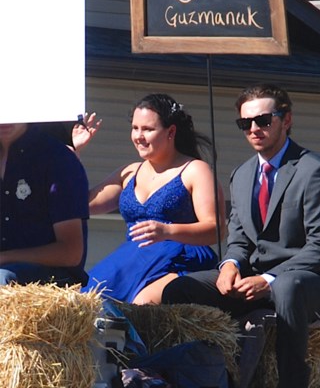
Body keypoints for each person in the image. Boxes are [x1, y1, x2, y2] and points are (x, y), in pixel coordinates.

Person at [162, 83, 320, 388]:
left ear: (286, 119)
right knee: (180, 289)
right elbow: (239, 240)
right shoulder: (243, 174)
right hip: (254, 278)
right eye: (245, 123)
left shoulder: (315, 171)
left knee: (288, 288)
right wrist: (230, 265)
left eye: (263, 120)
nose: (254, 129)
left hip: (309, 282)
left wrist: (268, 280)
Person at [81, 95, 223, 304]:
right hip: (135, 258)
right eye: (135, 128)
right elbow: (78, 205)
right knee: (89, 300)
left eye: (147, 129)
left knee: (140, 306)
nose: (139, 136)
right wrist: (73, 151)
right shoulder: (129, 172)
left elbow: (216, 228)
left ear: (171, 132)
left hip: (179, 257)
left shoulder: (195, 170)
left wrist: (167, 231)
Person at [0, 122, 89, 287]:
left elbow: (71, 252)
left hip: (54, 279)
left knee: (2, 277)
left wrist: (5, 257)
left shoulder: (57, 158)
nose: (5, 119)